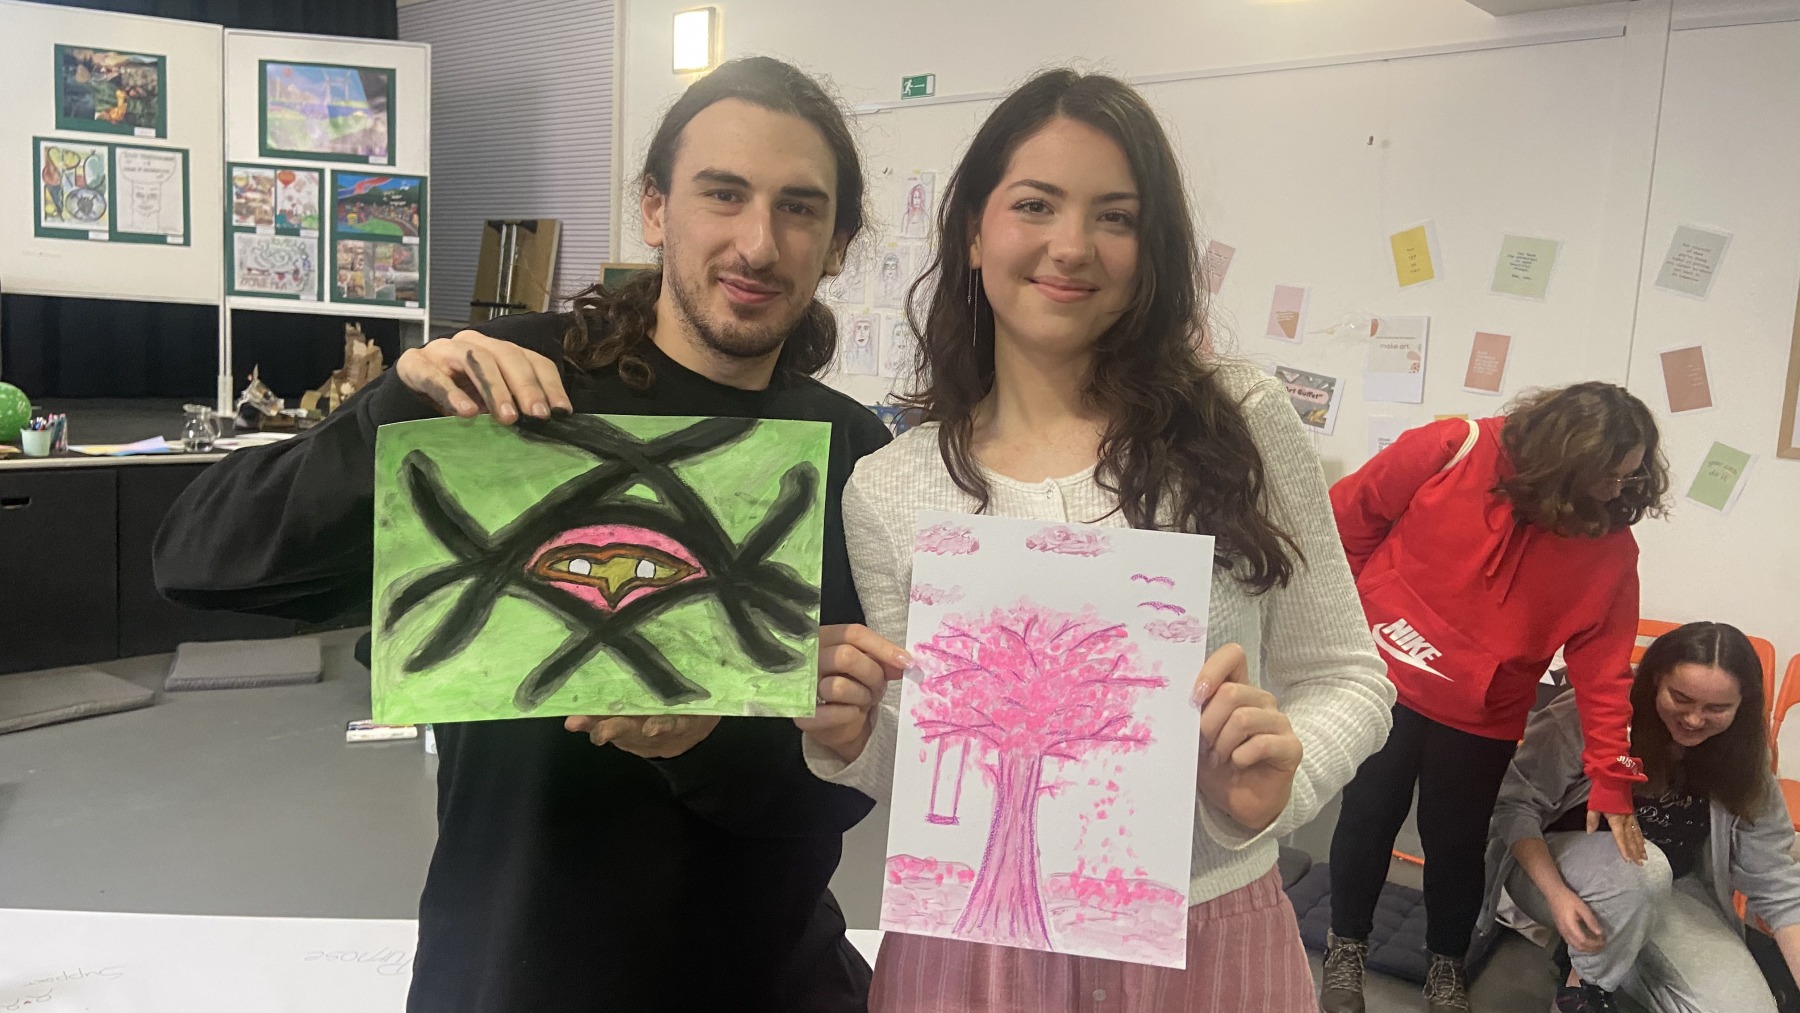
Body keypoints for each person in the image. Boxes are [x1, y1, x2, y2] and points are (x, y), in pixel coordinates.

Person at [153, 57, 911, 1013]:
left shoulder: (849, 450)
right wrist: (390, 413)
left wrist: (713, 741)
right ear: (654, 208)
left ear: (837, 244)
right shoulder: (510, 393)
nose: (758, 243)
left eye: (799, 208)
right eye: (723, 193)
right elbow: (201, 560)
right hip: (516, 971)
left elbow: (840, 788)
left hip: (765, 978)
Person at [793, 69, 1395, 1012]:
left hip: (1206, 934)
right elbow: (923, 755)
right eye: (1035, 204)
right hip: (972, 947)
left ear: (1152, 249)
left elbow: (1350, 675)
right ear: (974, 230)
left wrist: (1281, 777)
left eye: (1115, 216)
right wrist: (851, 734)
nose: (1071, 246)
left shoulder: (1239, 420)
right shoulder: (893, 483)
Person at [1321, 384, 1672, 1013]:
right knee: (1367, 816)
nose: (1618, 490)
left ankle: (1446, 963)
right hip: (1386, 678)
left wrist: (1611, 778)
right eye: (1607, 475)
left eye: (1630, 474)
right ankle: (1345, 947)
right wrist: (1348, 623)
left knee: (1457, 844)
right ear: (1561, 461)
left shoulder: (1611, 547)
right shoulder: (1453, 447)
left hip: (1483, 714)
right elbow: (1345, 521)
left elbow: (1603, 671)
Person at [1476, 621, 1800, 1013]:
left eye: (1716, 709)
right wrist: (1557, 897)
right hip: (1556, 871)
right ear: (1656, 680)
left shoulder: (1745, 756)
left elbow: (1777, 883)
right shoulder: (1593, 713)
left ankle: (1612, 954)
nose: (1694, 719)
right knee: (1644, 871)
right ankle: (1583, 988)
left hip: (1671, 888)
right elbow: (1514, 805)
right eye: (1681, 698)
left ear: (1742, 705)